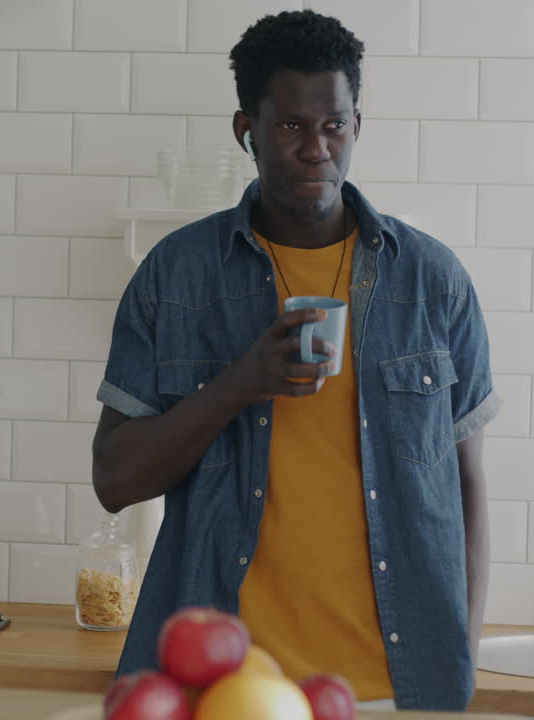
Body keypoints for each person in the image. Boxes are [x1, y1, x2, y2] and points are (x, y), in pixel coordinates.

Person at [92, 9, 499, 712]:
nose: (317, 148)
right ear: (247, 130)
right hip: (231, 690)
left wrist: (461, 645)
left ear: (357, 126)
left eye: (335, 124)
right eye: (290, 126)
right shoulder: (177, 276)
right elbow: (115, 479)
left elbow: (467, 485)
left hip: (401, 687)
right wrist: (239, 386)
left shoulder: (433, 280)